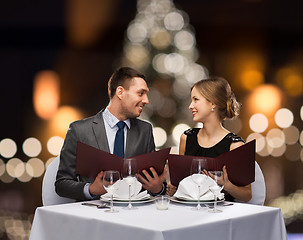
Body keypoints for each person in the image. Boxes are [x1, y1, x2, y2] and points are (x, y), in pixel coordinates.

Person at [55, 67, 167, 201]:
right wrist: (91, 189)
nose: (146, 100)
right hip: (94, 215)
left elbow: (153, 180)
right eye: (141, 93)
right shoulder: (79, 130)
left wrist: (158, 189)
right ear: (120, 92)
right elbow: (61, 184)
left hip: (133, 214)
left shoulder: (145, 130)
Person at [166, 77, 252, 202]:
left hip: (220, 215)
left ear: (213, 103)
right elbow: (181, 185)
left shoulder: (235, 145)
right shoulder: (186, 138)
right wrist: (174, 188)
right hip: (189, 211)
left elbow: (247, 195)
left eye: (196, 100)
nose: (191, 106)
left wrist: (227, 185)